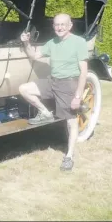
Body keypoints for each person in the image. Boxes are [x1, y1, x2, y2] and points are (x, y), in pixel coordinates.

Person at [19, 13, 88, 171]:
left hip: (68, 84)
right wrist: (27, 42)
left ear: (70, 25)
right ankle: (45, 113)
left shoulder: (79, 42)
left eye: (63, 24)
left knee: (71, 122)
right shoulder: (52, 42)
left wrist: (77, 96)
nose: (60, 27)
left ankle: (69, 156)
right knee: (24, 89)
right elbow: (34, 55)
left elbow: (83, 72)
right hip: (52, 81)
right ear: (53, 27)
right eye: (57, 25)